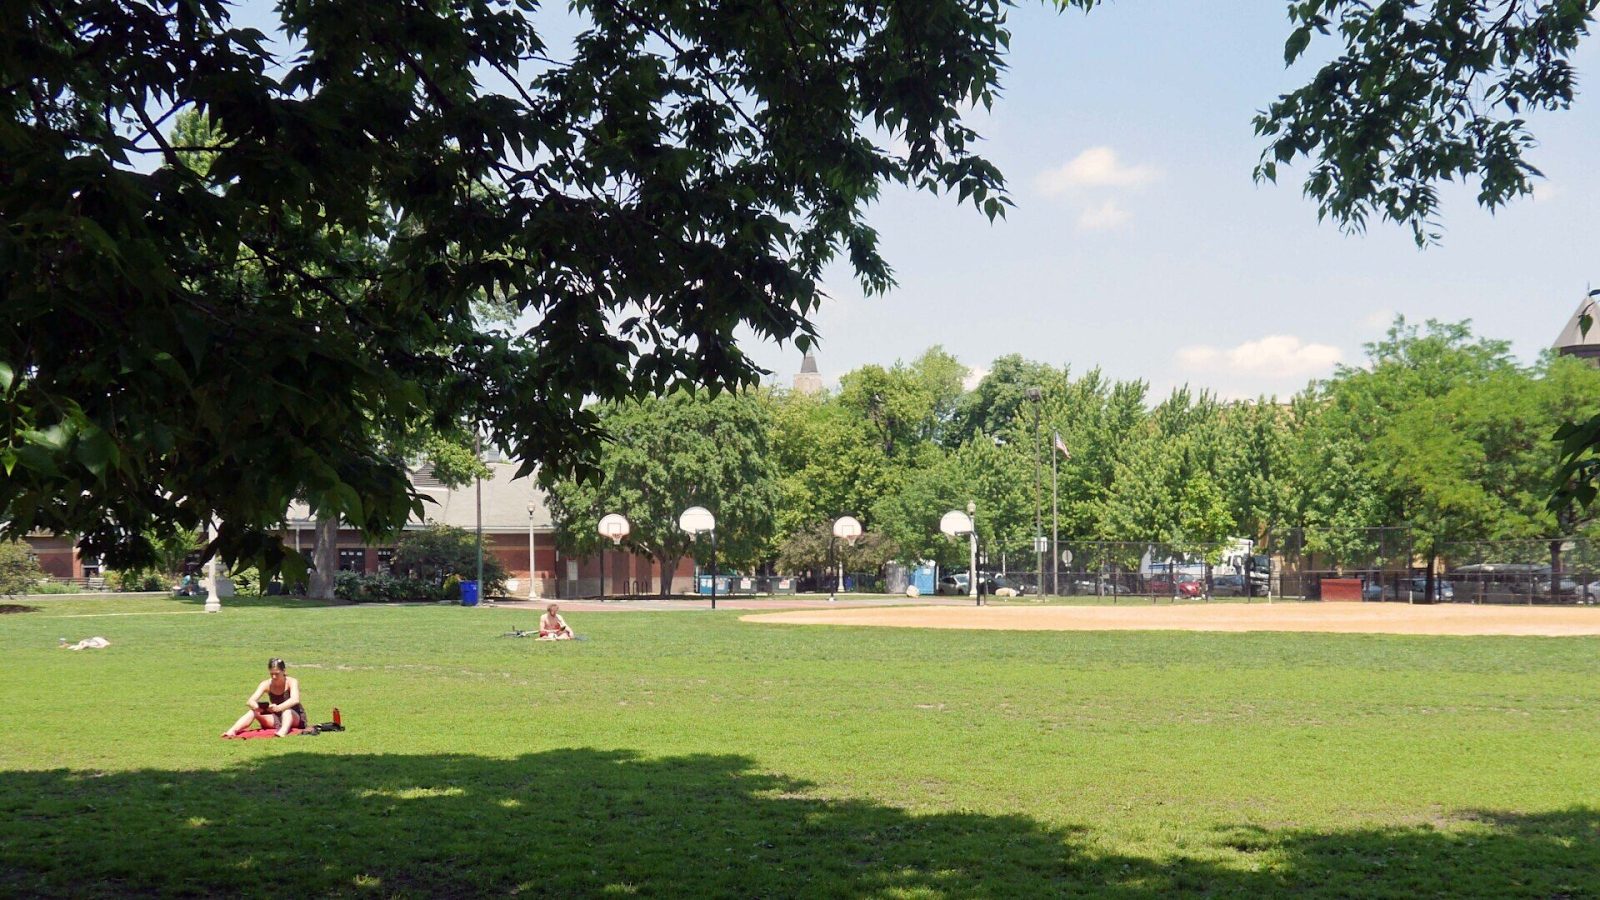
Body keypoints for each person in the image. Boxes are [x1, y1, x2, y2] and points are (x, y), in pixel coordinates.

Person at [223, 658, 308, 737]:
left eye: (277, 674)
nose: (274, 677)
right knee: (253, 712)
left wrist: (278, 707)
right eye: (272, 674)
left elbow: (295, 699)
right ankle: (232, 731)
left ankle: (283, 731)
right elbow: (250, 701)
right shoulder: (266, 684)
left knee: (287, 711)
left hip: (294, 716)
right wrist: (257, 707)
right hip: (276, 717)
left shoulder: (292, 681)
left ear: (284, 671)